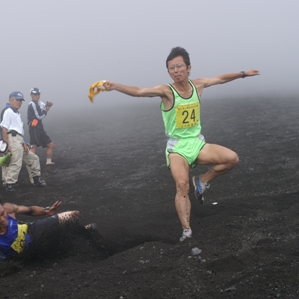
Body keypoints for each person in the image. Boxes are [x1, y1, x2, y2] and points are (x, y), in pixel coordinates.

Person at [102, 46, 259, 241]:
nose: (175, 71)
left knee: (232, 159)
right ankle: (186, 230)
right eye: (171, 68)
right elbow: (140, 91)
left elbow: (220, 79)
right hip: (177, 148)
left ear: (188, 67)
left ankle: (202, 181)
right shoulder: (166, 91)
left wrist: (243, 74)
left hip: (197, 142)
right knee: (182, 185)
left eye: (179, 66)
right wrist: (116, 86)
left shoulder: (198, 85)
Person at [0, 192, 81, 276]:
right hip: (21, 257)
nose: (2, 219)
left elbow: (30, 210)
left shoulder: (8, 208)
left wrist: (46, 211)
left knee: (73, 215)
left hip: (31, 232)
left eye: (2, 214)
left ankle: (84, 233)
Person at [0, 91, 46, 192]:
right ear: (10, 100)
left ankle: (36, 179)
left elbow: (18, 130)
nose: (19, 102)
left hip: (18, 139)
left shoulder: (16, 113)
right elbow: (4, 128)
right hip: (12, 138)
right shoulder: (8, 111)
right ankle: (9, 184)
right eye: (17, 100)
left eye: (21, 100)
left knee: (33, 158)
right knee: (15, 161)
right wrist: (6, 144)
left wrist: (23, 142)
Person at [27, 87, 55, 165]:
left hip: (39, 127)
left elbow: (43, 107)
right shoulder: (32, 104)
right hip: (34, 128)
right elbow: (39, 116)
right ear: (31, 95)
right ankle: (30, 164)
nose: (37, 96)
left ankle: (49, 161)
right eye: (35, 94)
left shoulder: (39, 103)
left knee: (51, 144)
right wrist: (46, 110)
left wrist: (48, 105)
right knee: (34, 147)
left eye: (38, 94)